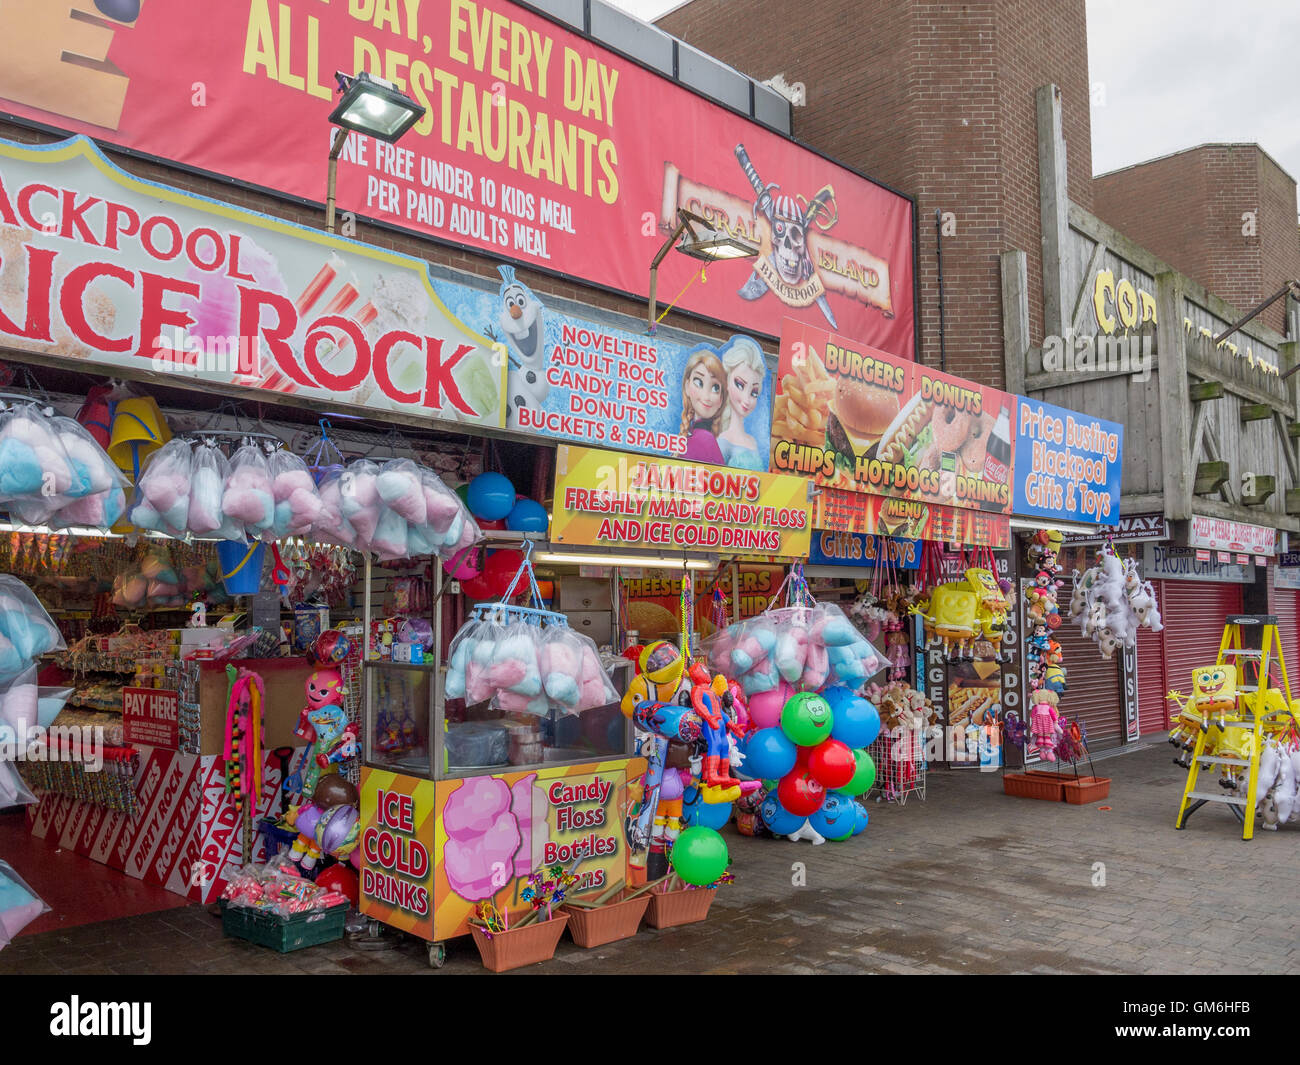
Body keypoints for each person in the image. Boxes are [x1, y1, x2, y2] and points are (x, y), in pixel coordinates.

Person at [717, 336, 768, 471]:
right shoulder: (722, 440)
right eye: (739, 385)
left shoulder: (753, 441)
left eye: (754, 393)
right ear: (727, 381)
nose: (746, 399)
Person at [674, 348, 726, 464]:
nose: (706, 396)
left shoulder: (704, 438)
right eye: (699, 382)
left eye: (715, 388)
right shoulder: (699, 437)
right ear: (687, 386)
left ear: (721, 399)